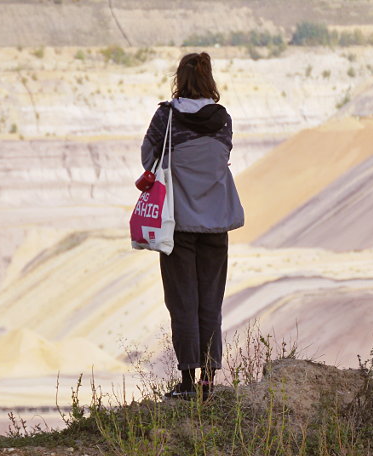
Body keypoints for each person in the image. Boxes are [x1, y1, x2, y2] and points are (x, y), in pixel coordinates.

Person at [140, 52, 244, 400]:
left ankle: (185, 382)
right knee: (210, 301)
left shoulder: (165, 117)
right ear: (209, 79)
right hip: (216, 223)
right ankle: (209, 381)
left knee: (182, 301)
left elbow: (148, 157)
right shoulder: (223, 118)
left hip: (178, 224)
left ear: (179, 79)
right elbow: (223, 155)